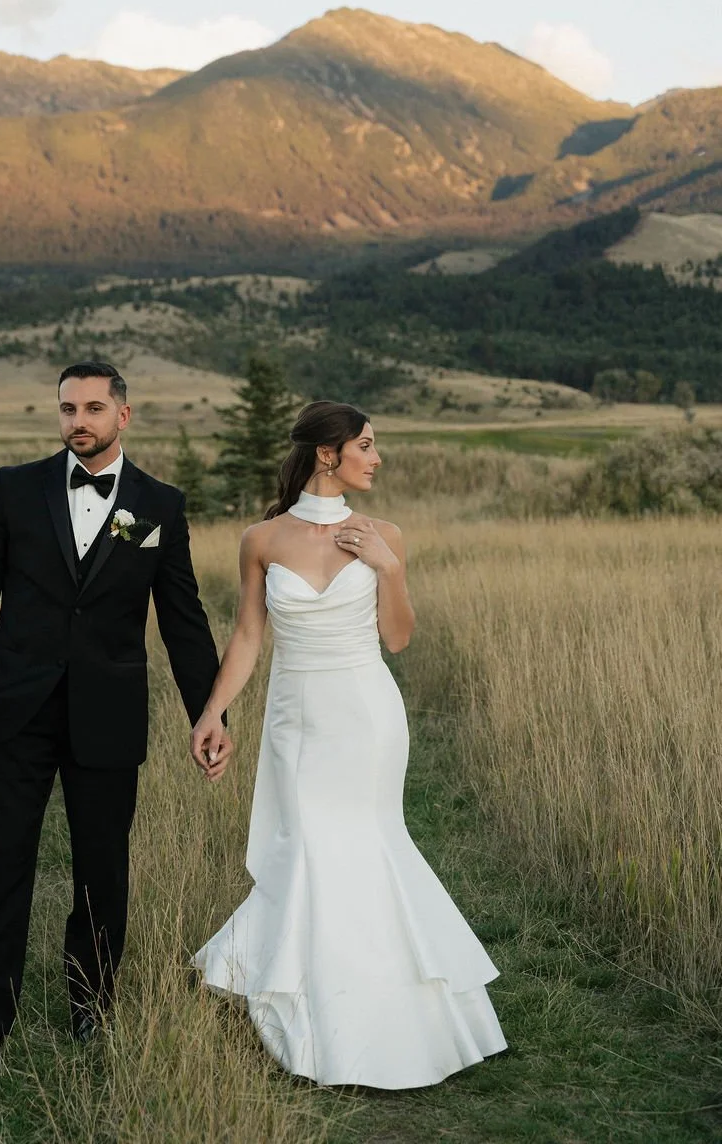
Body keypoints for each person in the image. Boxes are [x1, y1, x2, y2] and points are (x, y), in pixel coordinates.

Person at [190, 400, 506, 1088]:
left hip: (366, 716)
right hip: (295, 720)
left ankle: (388, 1017)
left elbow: (397, 640)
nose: (377, 456)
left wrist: (390, 570)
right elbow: (248, 637)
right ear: (327, 454)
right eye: (367, 444)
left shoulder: (383, 532)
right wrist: (214, 711)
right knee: (306, 846)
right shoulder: (262, 539)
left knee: (366, 844)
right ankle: (312, 1015)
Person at [0, 360, 229, 1085]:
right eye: (69, 408)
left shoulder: (159, 504)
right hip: (15, 712)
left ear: (123, 417)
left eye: (94, 408)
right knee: (0, 868)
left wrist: (209, 711)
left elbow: (183, 619)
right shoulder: (13, 489)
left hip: (108, 714)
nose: (79, 420)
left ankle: (91, 1005)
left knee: (102, 871)